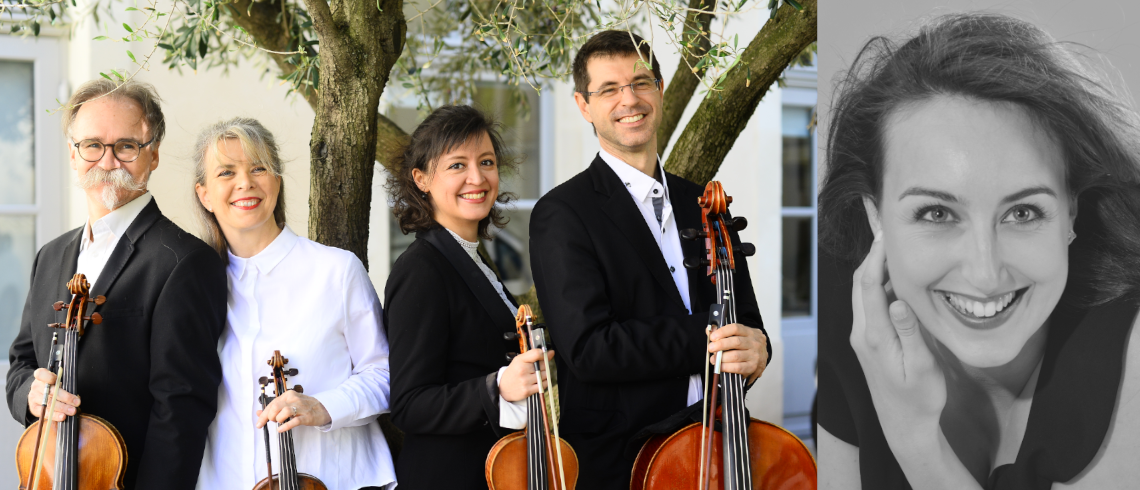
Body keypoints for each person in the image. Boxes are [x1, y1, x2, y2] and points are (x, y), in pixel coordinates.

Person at [817, 13, 1140, 489]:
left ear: (1071, 211)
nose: (986, 274)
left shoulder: (1128, 338)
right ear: (874, 216)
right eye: (937, 214)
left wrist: (915, 441)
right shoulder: (838, 307)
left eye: (1023, 213)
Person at [528, 30, 771, 488]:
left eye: (641, 82)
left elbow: (747, 321)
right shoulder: (562, 214)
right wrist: (710, 336)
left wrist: (758, 348)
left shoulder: (702, 201)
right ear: (584, 106)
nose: (629, 99)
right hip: (625, 460)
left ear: (659, 90)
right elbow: (589, 349)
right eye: (609, 89)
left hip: (720, 446)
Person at [6, 79, 227, 489]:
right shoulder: (50, 256)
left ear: (153, 154)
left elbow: (181, 411)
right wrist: (30, 397)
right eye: (92, 145)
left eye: (126, 146)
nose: (107, 161)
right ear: (73, 155)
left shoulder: (184, 261)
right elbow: (21, 362)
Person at [191, 117, 395, 490]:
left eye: (259, 168)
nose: (245, 183)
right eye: (226, 172)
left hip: (336, 479)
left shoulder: (336, 270)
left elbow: (385, 374)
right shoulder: (193, 287)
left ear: (277, 182)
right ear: (204, 194)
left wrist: (325, 406)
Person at [384, 104, 554, 489]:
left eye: (487, 162)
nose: (477, 177)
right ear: (422, 178)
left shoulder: (471, 258)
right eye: (457, 165)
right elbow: (409, 405)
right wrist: (496, 387)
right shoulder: (421, 270)